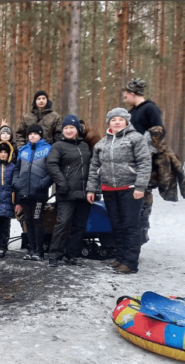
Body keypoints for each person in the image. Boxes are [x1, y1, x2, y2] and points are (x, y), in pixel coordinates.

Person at [86, 108, 151, 274]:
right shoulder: (102, 144)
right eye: (113, 119)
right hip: (109, 190)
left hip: (130, 189)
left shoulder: (135, 139)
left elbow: (144, 163)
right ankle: (121, 258)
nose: (116, 122)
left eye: (120, 119)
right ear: (109, 122)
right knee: (117, 225)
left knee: (130, 225)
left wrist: (140, 187)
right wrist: (91, 189)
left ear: (126, 121)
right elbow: (94, 168)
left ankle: (130, 262)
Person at [46, 115, 92, 267]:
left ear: (78, 130)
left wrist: (93, 188)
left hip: (84, 193)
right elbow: (52, 165)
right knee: (63, 223)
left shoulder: (85, 146)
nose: (68, 130)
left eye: (72, 127)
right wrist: (62, 183)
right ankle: (54, 255)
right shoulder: (58, 146)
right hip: (66, 192)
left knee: (79, 225)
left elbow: (92, 166)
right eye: (66, 128)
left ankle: (71, 255)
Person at [123, 78, 163, 245]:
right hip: (129, 165)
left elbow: (158, 132)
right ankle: (128, 241)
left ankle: (139, 238)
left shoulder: (150, 108)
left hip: (144, 165)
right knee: (129, 204)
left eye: (126, 96)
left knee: (142, 201)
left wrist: (146, 155)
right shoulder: (131, 113)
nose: (124, 98)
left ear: (133, 94)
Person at [12, 124, 53, 261]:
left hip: (38, 194)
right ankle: (31, 249)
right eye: (30, 134)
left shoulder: (47, 149)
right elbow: (17, 169)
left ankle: (39, 251)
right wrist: (16, 183)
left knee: (37, 221)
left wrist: (43, 184)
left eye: (35, 134)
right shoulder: (23, 150)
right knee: (28, 221)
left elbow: (52, 171)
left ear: (40, 135)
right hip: (24, 192)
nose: (32, 136)